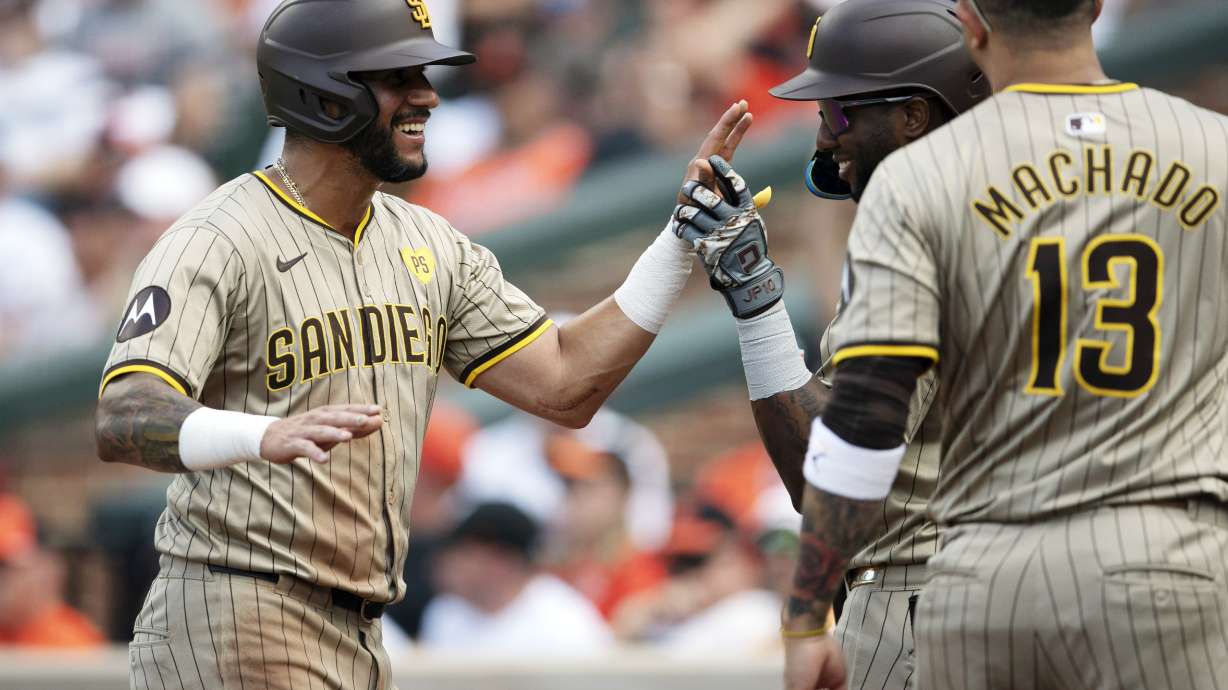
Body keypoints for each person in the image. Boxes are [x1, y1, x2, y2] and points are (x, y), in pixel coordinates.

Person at [93, 1, 751, 687]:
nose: (427, 97)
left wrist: (678, 243)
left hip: (360, 624)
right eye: (397, 78)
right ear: (322, 94)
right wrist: (258, 436)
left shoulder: (429, 244)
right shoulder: (218, 238)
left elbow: (566, 383)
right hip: (234, 604)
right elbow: (125, 412)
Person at [683, 1, 1228, 688]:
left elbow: (859, 433)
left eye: (837, 114)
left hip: (972, 577)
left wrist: (804, 613)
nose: (824, 139)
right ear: (1094, 7)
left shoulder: (925, 182)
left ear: (972, 20)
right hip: (1174, 565)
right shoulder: (1215, 148)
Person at [673, 1, 987, 686]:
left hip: (920, 600)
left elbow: (821, 474)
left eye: (838, 113)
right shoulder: (1009, 217)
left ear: (913, 115)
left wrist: (755, 300)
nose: (822, 140)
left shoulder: (927, 240)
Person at [418, 502, 613, 657]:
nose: (449, 563)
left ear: (500, 562)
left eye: (465, 553)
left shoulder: (564, 622)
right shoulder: (444, 613)